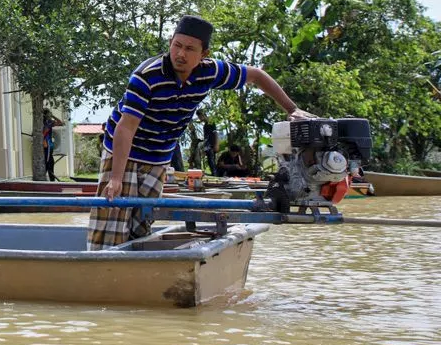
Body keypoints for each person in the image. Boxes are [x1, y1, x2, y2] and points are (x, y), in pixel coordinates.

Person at [88, 14, 312, 251]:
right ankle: (100, 266)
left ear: (204, 54)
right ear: (170, 44)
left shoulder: (211, 72)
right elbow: (126, 127)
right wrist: (115, 178)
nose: (181, 54)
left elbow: (256, 75)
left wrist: (293, 109)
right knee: (112, 219)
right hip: (123, 150)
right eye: (177, 46)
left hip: (158, 156)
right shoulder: (147, 76)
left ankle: (136, 272)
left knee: (142, 221)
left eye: (189, 49)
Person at [41, 109, 64, 181]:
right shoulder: (42, 122)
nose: (49, 115)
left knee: (50, 162)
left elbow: (60, 123)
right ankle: (47, 180)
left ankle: (51, 179)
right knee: (47, 162)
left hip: (49, 145)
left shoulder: (50, 122)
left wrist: (53, 116)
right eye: (49, 114)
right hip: (46, 145)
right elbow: (43, 133)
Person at [198, 111, 219, 176]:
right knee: (210, 161)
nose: (200, 119)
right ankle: (213, 174)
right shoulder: (205, 125)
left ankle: (215, 175)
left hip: (212, 145)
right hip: (207, 146)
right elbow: (205, 138)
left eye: (200, 117)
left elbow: (215, 133)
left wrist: (216, 144)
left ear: (203, 115)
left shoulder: (211, 122)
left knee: (212, 161)